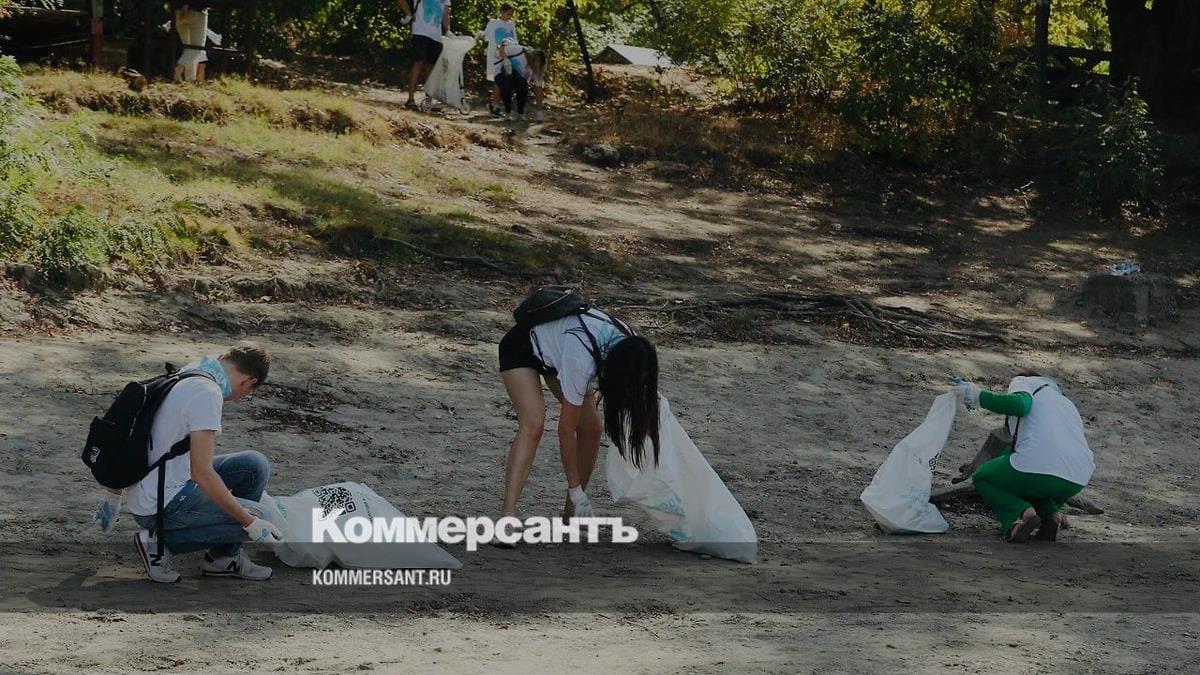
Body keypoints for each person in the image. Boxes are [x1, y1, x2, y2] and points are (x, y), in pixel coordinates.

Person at [496, 291, 661, 537]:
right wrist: (575, 489)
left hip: (557, 351)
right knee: (533, 425)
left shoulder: (634, 345)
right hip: (522, 348)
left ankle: (570, 516)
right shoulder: (581, 360)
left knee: (592, 428)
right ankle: (507, 518)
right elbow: (566, 430)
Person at [121, 344, 282, 582]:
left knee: (254, 465)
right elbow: (202, 473)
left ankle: (224, 559)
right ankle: (160, 544)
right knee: (261, 516)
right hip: (160, 503)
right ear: (249, 382)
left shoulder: (195, 369)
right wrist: (251, 523)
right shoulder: (208, 394)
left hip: (156, 479)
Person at [954, 372, 1095, 542]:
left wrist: (978, 395)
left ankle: (1021, 514)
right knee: (1032, 480)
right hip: (1077, 478)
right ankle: (1051, 515)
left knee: (983, 477)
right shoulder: (1066, 403)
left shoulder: (1025, 381)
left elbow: (1020, 405)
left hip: (1036, 466)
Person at [398, 0, 452, 109]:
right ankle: (411, 99)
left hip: (436, 36)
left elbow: (445, 13)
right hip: (420, 32)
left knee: (430, 68)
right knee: (418, 63)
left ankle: (428, 102)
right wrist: (408, 14)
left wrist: (447, 30)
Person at [480, 3, 518, 116]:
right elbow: (487, 37)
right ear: (502, 11)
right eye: (507, 14)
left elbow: (514, 40)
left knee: (504, 81)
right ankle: (495, 105)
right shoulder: (493, 23)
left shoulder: (511, 24)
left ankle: (495, 104)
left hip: (507, 56)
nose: (509, 16)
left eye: (511, 14)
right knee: (498, 80)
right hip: (495, 56)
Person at [495, 37, 531, 120]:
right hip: (509, 77)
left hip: (514, 78)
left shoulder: (511, 49)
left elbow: (500, 51)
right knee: (512, 86)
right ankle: (517, 112)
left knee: (514, 87)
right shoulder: (520, 50)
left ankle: (512, 112)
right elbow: (502, 49)